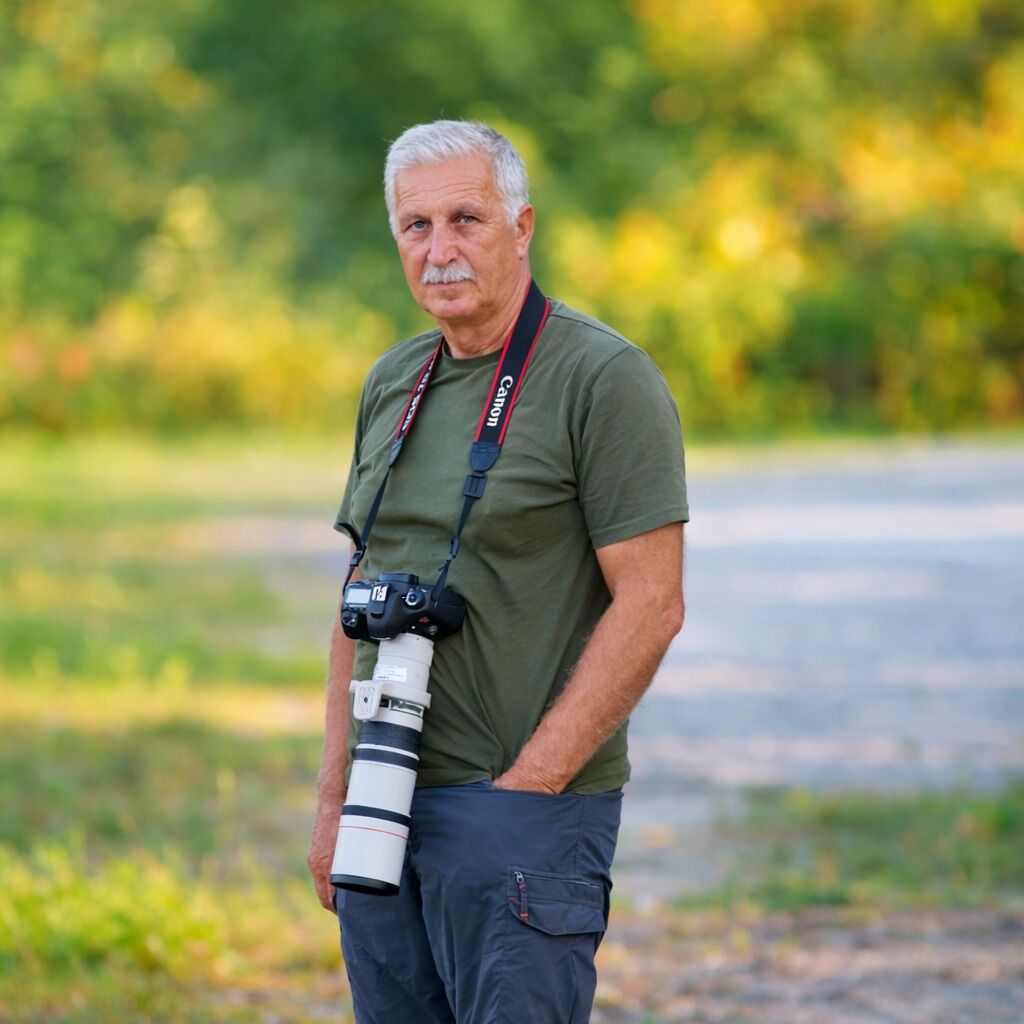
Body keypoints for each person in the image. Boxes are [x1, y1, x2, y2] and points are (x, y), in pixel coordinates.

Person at [308, 119, 688, 1024]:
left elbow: (654, 603)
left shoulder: (603, 378)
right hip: (381, 802)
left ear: (522, 228)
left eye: (467, 219)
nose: (439, 250)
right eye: (416, 226)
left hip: (519, 810)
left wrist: (531, 789)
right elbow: (353, 598)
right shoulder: (393, 381)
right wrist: (333, 798)